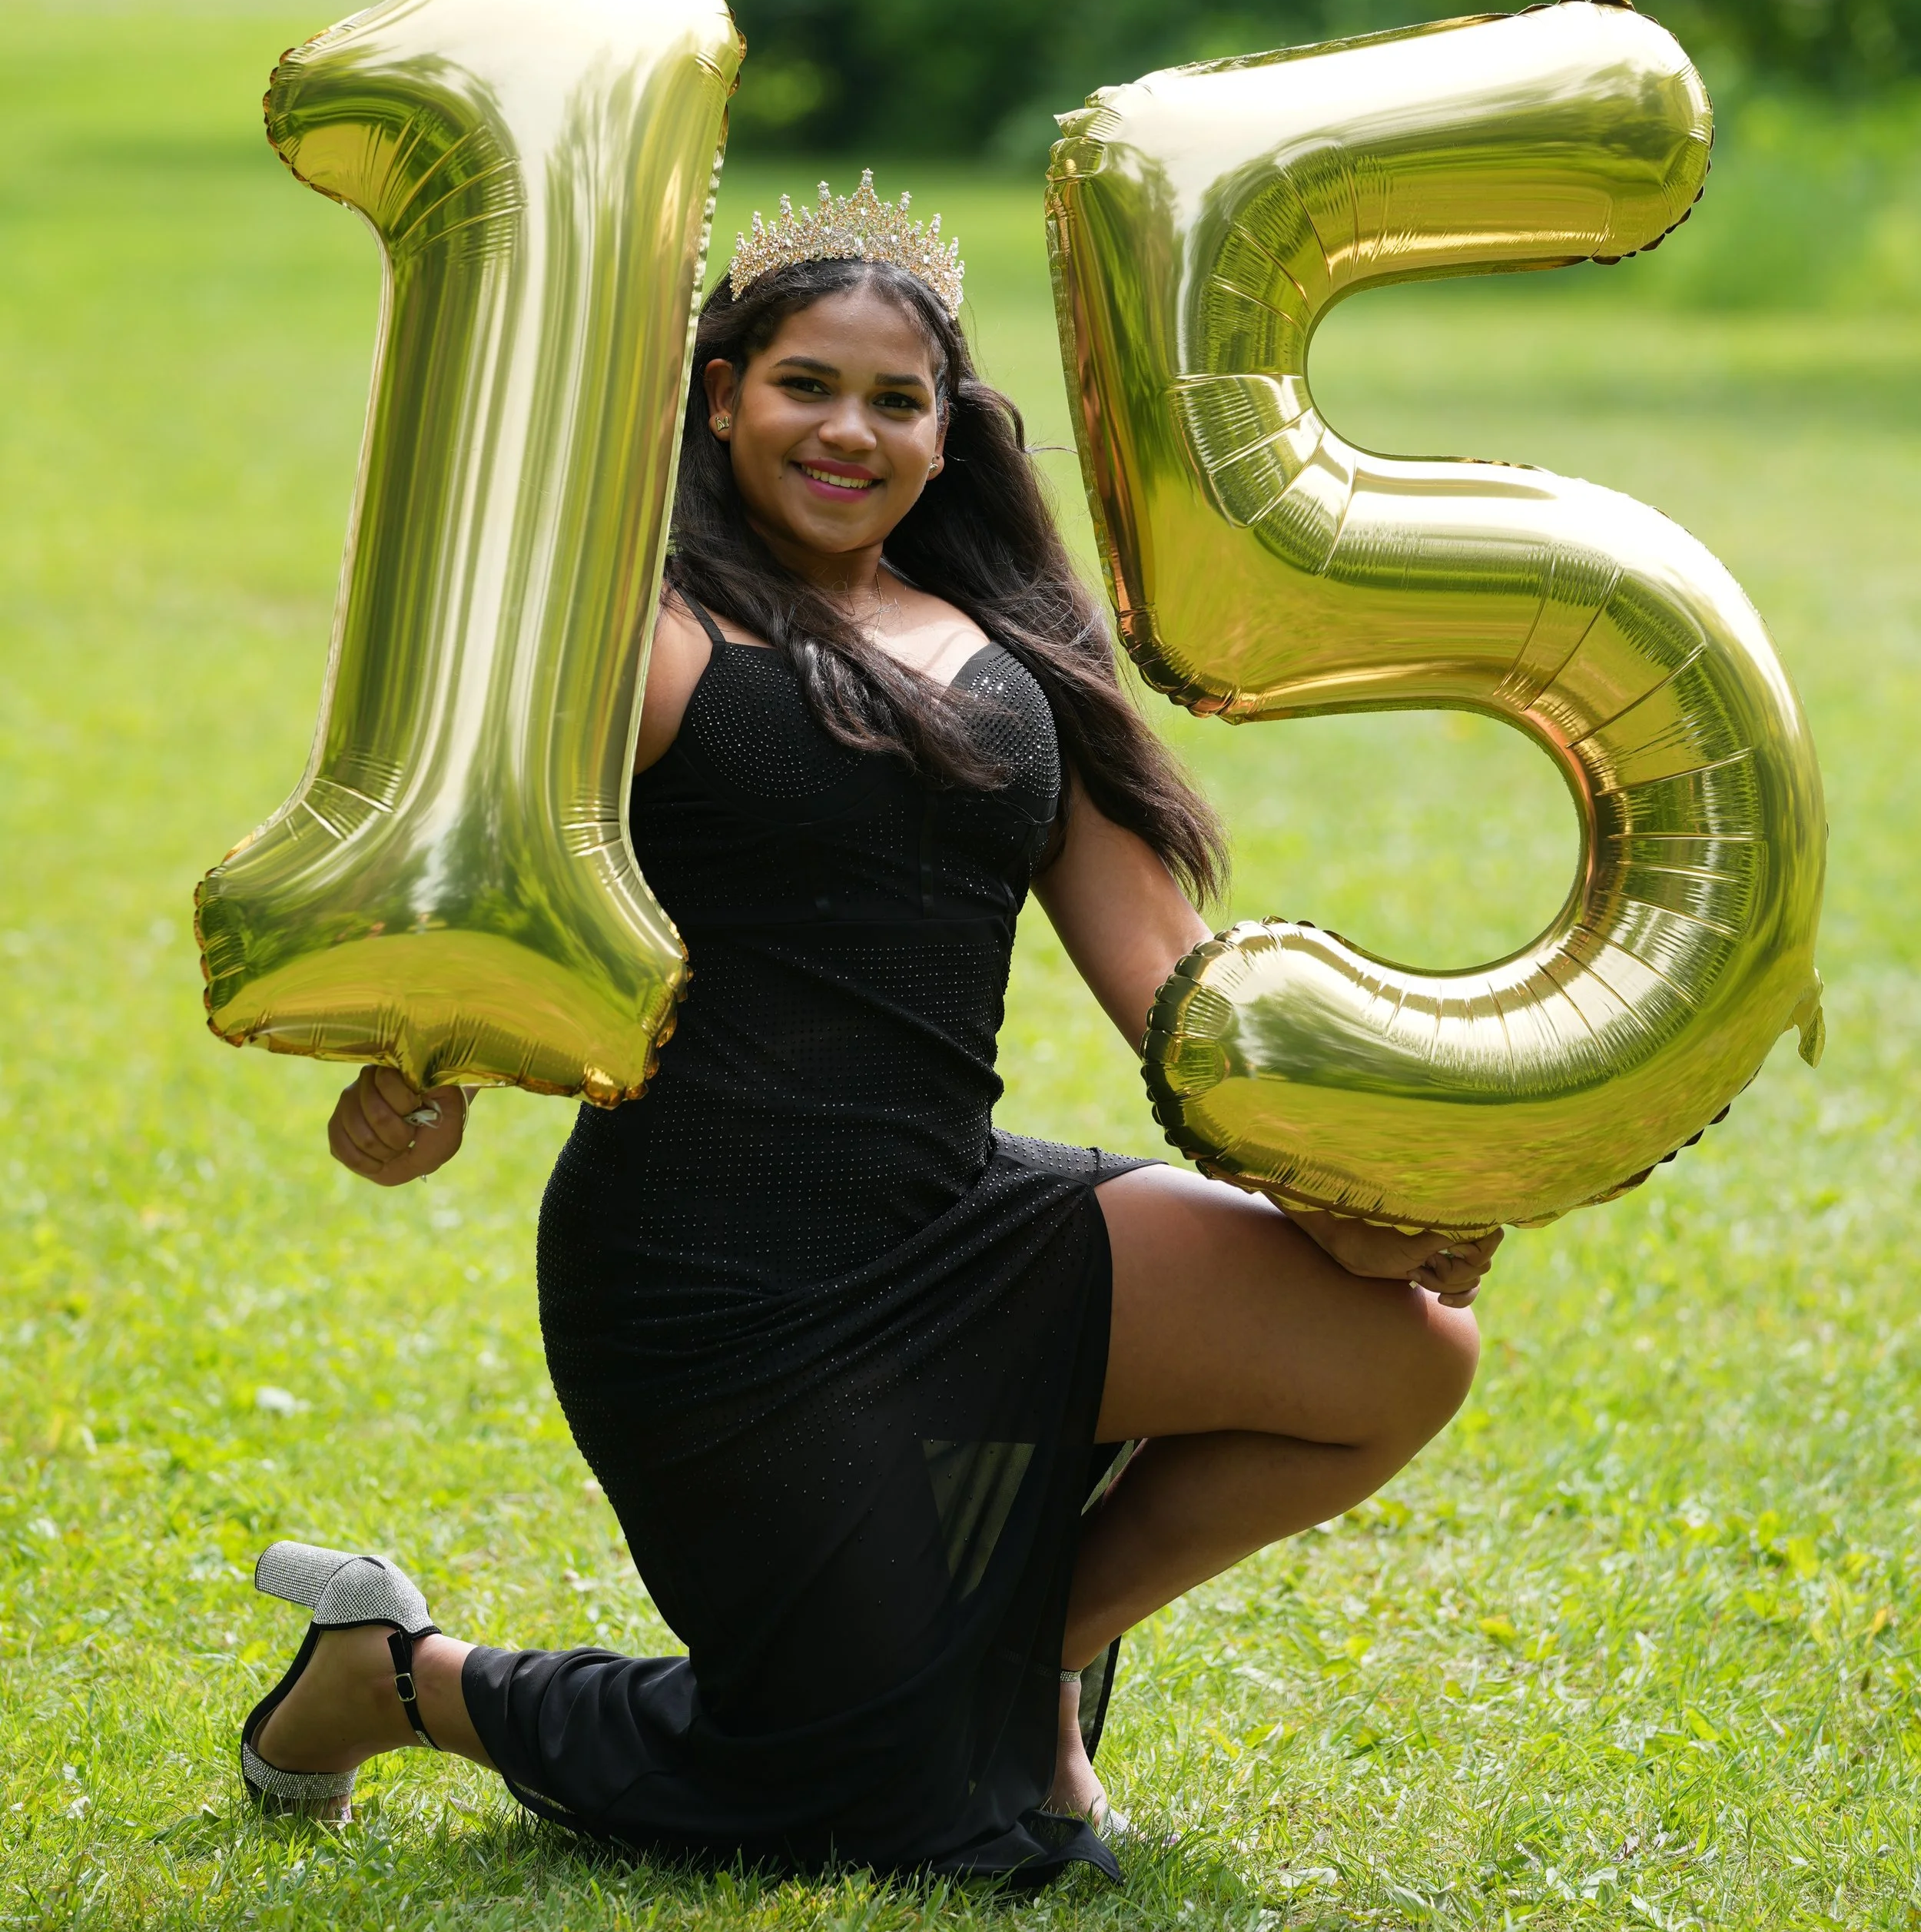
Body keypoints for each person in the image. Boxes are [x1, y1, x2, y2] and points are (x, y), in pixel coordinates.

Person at [238, 177, 1498, 1884]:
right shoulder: (644, 636)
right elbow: (486, 897)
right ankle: (391, 1676)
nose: (847, 430)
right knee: (868, 1808)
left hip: (953, 1223)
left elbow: (1172, 986)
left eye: (891, 400)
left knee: (1397, 1344)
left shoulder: (1017, 660)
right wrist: (417, 1080)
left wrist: (1351, 1190)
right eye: (801, 386)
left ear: (945, 431)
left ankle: (1028, 1645)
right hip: (711, 1279)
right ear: (716, 396)